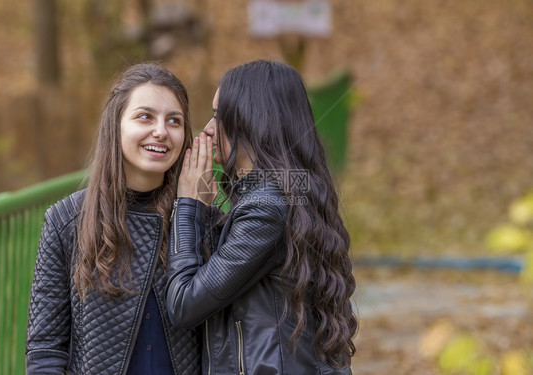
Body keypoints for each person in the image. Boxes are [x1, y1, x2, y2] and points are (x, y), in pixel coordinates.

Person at [166, 60, 357, 375]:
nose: (208, 129)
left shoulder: (268, 207)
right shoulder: (283, 196)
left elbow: (185, 304)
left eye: (218, 115)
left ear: (252, 119)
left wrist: (187, 204)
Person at [26, 62, 201, 374]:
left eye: (174, 121)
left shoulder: (197, 219)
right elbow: (45, 349)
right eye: (145, 116)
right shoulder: (66, 221)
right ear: (116, 125)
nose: (160, 131)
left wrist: (193, 207)